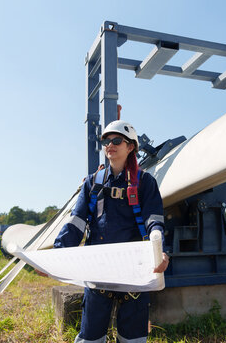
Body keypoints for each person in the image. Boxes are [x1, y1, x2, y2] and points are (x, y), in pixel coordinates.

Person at [54, 120, 169, 343]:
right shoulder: (92, 183)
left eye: (117, 140)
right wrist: (57, 255)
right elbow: (76, 222)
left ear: (131, 147)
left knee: (133, 338)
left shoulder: (145, 183)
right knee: (91, 337)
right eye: (106, 141)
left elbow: (154, 222)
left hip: (135, 269)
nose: (110, 145)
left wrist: (158, 251)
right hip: (99, 268)